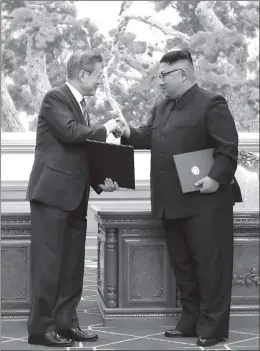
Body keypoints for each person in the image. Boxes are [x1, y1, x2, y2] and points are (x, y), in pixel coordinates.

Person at [114, 50, 242, 347]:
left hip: (206, 202)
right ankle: (190, 320)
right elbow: (148, 136)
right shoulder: (161, 107)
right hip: (170, 202)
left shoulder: (212, 102)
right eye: (158, 76)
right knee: (183, 267)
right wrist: (127, 131)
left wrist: (215, 178)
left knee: (210, 267)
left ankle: (212, 328)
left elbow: (228, 147)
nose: (159, 82)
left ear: (182, 74)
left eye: (164, 76)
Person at [26, 50, 120, 347]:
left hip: (74, 197)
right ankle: (42, 330)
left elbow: (81, 153)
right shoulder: (55, 98)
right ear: (83, 75)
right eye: (97, 75)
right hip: (52, 196)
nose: (99, 81)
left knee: (71, 267)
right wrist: (106, 128)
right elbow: (69, 134)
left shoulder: (80, 106)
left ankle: (66, 325)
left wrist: (102, 183)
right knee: (49, 266)